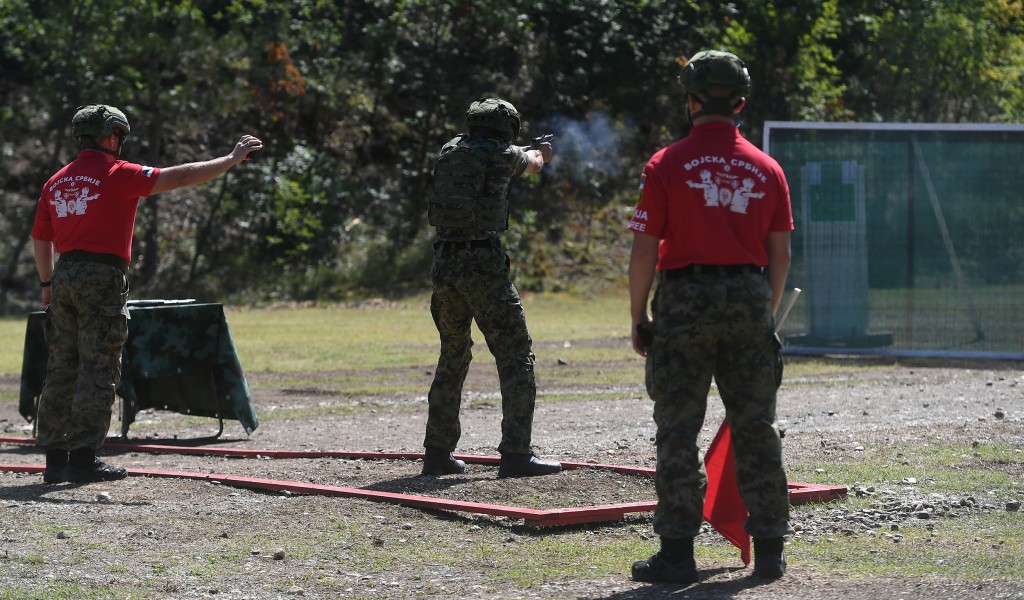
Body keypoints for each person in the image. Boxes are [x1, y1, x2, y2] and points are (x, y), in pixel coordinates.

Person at [627, 51, 795, 583]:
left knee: (678, 427)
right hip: (748, 295)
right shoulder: (768, 168)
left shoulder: (666, 163)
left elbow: (644, 251)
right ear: (741, 102)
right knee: (756, 425)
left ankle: (677, 554)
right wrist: (762, 313)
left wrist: (638, 317)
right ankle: (768, 550)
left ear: (692, 99)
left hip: (683, 299)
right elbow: (781, 255)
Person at [31, 104, 263, 484]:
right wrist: (230, 159)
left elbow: (41, 239)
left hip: (65, 274)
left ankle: (55, 461)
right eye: (119, 136)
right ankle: (84, 459)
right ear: (110, 137)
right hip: (102, 276)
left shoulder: (55, 182)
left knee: (61, 368)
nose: (120, 144)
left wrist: (46, 284)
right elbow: (180, 176)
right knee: (98, 367)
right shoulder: (118, 174)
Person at [421, 97, 562, 478]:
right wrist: (541, 154)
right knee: (516, 356)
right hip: (482, 264)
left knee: (453, 355)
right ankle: (516, 453)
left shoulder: (450, 151)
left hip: (444, 263)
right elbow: (531, 162)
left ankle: (437, 453)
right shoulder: (502, 153)